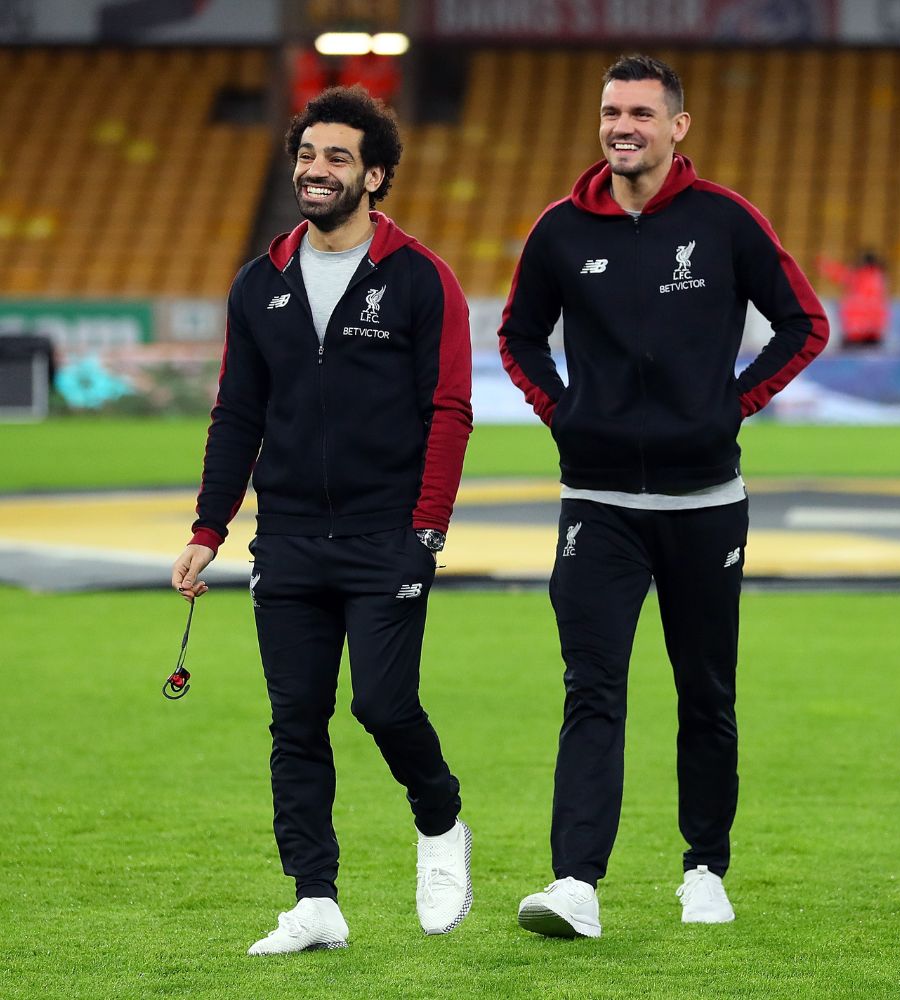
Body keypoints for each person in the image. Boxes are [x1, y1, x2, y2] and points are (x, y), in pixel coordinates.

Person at [499, 53, 827, 939]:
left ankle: (705, 868)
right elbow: (518, 337)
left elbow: (806, 323)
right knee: (591, 689)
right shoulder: (560, 231)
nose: (623, 126)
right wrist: (565, 414)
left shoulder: (724, 221)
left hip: (705, 502)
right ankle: (575, 883)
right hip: (597, 505)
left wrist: (732, 403)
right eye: (611, 111)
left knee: (705, 692)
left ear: (678, 126)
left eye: (642, 112)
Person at [170, 85, 476, 955]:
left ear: (374, 175)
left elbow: (449, 409)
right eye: (307, 154)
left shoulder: (421, 277)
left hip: (388, 534)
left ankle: (439, 820)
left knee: (383, 705)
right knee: (295, 719)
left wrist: (427, 530)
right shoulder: (257, 283)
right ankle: (315, 899)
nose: (316, 169)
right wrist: (207, 529)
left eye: (337, 157)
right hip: (291, 538)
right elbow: (237, 414)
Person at [818, 250, 889, 349]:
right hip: (874, 328)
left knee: (850, 357)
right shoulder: (880, 277)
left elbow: (840, 274)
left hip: (856, 329)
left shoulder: (858, 276)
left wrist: (824, 265)